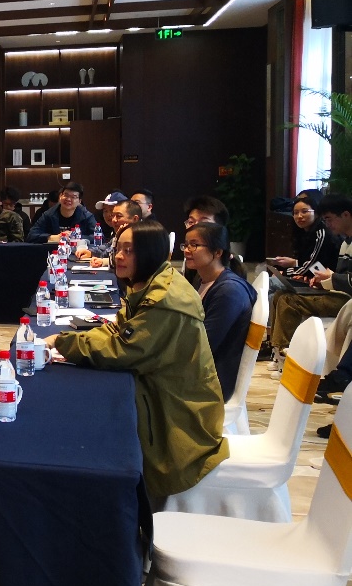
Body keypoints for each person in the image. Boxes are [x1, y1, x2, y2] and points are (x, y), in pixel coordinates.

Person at [50, 220, 228, 503]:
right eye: (119, 249)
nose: (119, 256)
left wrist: (64, 343)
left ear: (150, 254)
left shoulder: (163, 300)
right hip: (164, 389)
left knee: (93, 416)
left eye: (129, 250)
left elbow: (123, 349)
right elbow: (119, 330)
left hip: (178, 413)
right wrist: (72, 341)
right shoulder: (151, 282)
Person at [267, 192, 352, 365]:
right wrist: (323, 281)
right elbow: (338, 275)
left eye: (329, 219)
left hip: (347, 300)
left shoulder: (324, 234)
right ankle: (276, 351)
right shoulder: (346, 243)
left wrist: (331, 278)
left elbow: (344, 279)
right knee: (280, 295)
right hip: (338, 293)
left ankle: (287, 359)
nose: (327, 224)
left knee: (289, 301)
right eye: (295, 213)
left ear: (345, 215)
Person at [182, 221, 256, 399]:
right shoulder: (202, 279)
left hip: (211, 381)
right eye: (186, 244)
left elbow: (204, 345)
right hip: (200, 369)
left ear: (217, 252)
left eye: (194, 245)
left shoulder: (229, 291)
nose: (186, 250)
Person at [27, 181, 96, 243]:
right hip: (53, 251)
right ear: (60, 196)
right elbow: (31, 235)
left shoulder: (86, 216)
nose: (68, 199)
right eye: (66, 195)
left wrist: (75, 237)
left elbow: (97, 236)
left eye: (73, 197)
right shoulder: (48, 215)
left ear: (79, 201)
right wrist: (52, 237)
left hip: (79, 251)